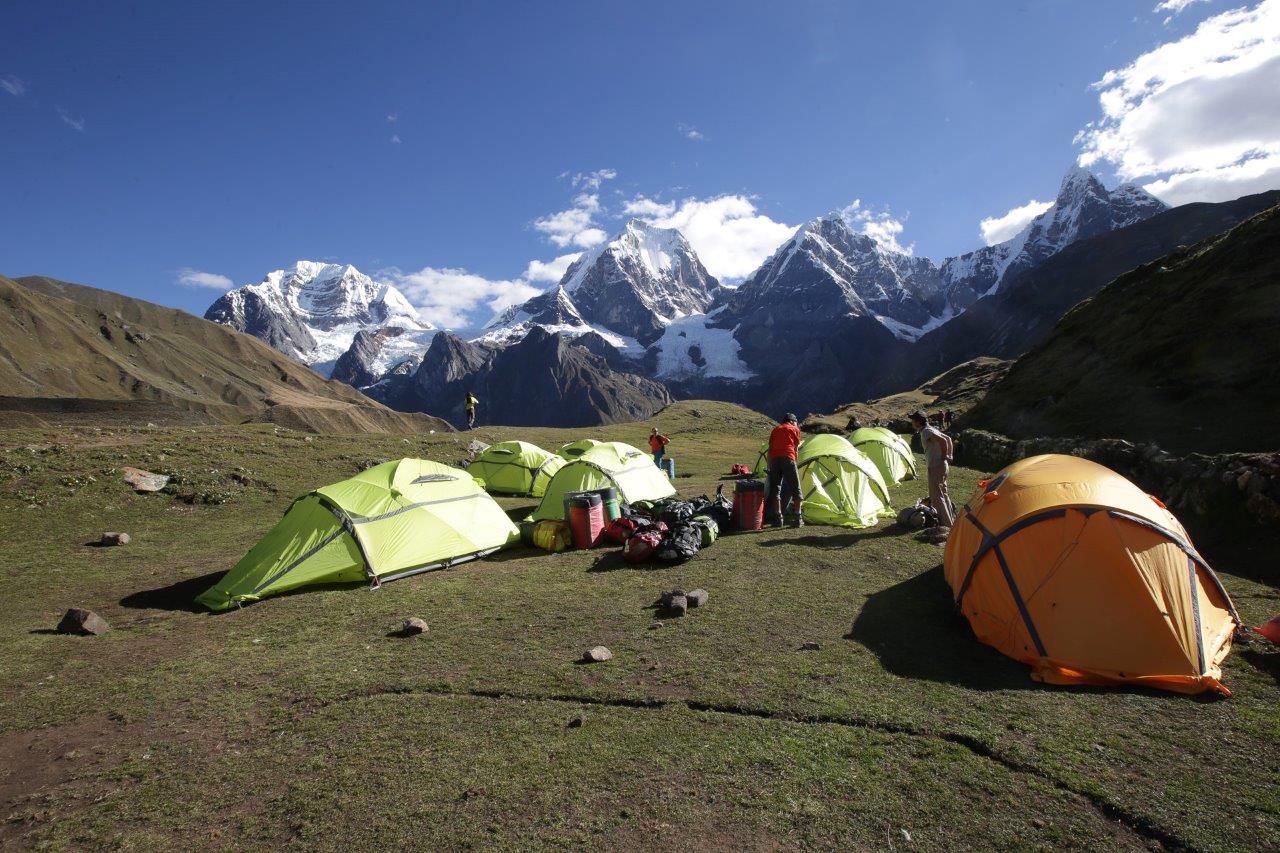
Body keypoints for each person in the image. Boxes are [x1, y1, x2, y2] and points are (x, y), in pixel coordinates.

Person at [910, 409, 954, 533]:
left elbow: (944, 441)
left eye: (913, 420)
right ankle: (950, 520)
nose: (912, 422)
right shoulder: (932, 429)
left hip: (935, 466)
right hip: (942, 466)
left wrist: (945, 455)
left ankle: (946, 525)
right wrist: (949, 456)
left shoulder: (926, 432)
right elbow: (948, 439)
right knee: (943, 493)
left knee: (936, 496)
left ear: (918, 422)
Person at [765, 413, 803, 528]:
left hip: (774, 460)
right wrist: (794, 462)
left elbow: (770, 449)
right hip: (788, 458)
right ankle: (798, 518)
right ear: (792, 421)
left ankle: (778, 518)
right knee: (795, 488)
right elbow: (795, 448)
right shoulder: (794, 429)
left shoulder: (776, 429)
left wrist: (769, 465)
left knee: (775, 489)